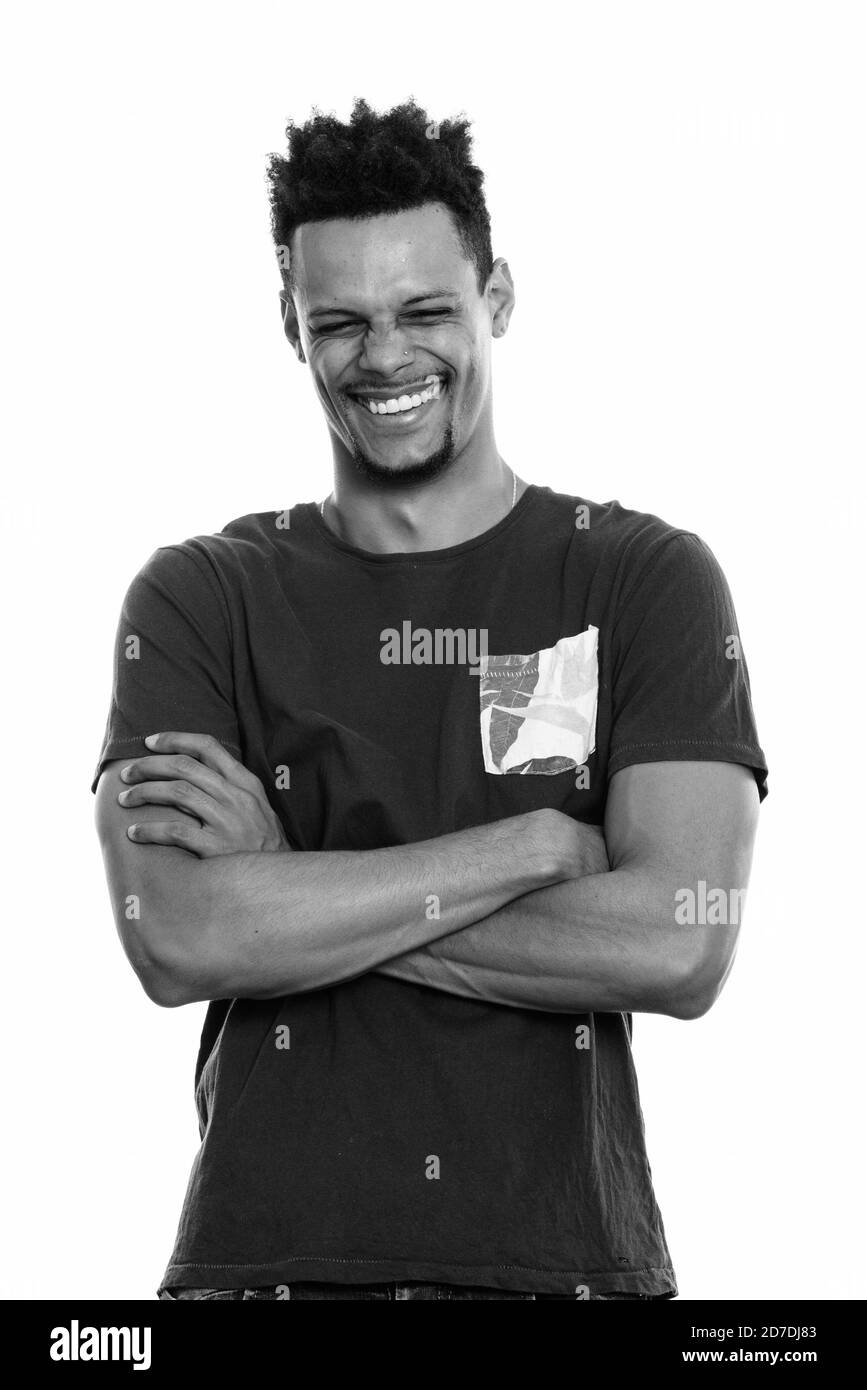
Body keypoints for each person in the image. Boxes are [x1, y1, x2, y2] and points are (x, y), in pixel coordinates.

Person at [93, 97, 768, 1301]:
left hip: (570, 1273)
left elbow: (679, 941)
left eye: (426, 311)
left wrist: (295, 876)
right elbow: (182, 933)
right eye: (341, 321)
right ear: (291, 329)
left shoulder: (642, 577)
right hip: (265, 1274)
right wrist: (533, 848)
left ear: (498, 297)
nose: (387, 357)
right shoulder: (200, 597)